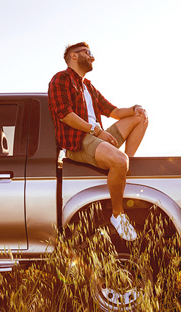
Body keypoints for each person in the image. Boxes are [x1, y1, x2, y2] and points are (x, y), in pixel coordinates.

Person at [48, 42, 148, 241]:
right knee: (119, 161)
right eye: (88, 53)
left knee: (140, 118)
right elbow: (64, 114)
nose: (92, 57)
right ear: (73, 56)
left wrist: (136, 107)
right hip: (79, 141)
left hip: (97, 138)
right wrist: (95, 130)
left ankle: (123, 166)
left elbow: (114, 112)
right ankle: (118, 215)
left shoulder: (88, 86)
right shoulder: (61, 79)